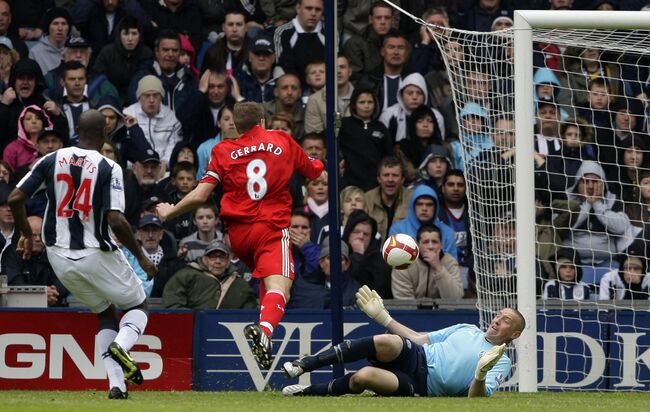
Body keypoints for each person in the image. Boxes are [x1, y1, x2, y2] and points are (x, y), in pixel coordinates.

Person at [156, 101, 324, 369]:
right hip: (270, 228)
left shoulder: (222, 150)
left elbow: (200, 195)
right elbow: (314, 171)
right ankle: (265, 332)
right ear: (262, 122)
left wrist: (170, 211)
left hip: (238, 237)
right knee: (281, 288)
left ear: (235, 125)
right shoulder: (282, 140)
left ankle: (263, 332)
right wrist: (316, 160)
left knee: (268, 287)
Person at [7, 110, 156, 399]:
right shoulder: (109, 167)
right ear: (104, 134)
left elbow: (15, 198)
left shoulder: (51, 159)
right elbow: (115, 219)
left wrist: (26, 233)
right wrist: (141, 256)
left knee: (104, 314)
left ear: (77, 130)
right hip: (96, 252)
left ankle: (116, 385)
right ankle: (122, 348)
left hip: (58, 257)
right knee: (138, 307)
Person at [282, 285, 524, 398]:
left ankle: (308, 392)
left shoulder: (500, 361)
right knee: (391, 341)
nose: (497, 320)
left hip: (422, 386)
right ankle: (305, 364)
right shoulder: (466, 329)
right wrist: (382, 316)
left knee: (363, 377)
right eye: (499, 315)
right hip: (417, 355)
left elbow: (476, 399)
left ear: (514, 334)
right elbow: (418, 339)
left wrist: (480, 374)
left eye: (506, 321)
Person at [162, 239, 257, 309]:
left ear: (228, 261)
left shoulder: (240, 284)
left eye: (222, 257)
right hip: (193, 330)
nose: (217, 261)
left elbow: (249, 311)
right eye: (213, 257)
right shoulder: (185, 276)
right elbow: (172, 305)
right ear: (204, 259)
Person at [392, 224, 463, 300]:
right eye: (425, 242)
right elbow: (404, 302)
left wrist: (438, 268)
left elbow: (455, 299)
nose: (430, 246)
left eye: (435, 242)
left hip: (443, 311)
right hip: (412, 311)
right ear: (417, 245)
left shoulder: (450, 262)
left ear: (441, 245)